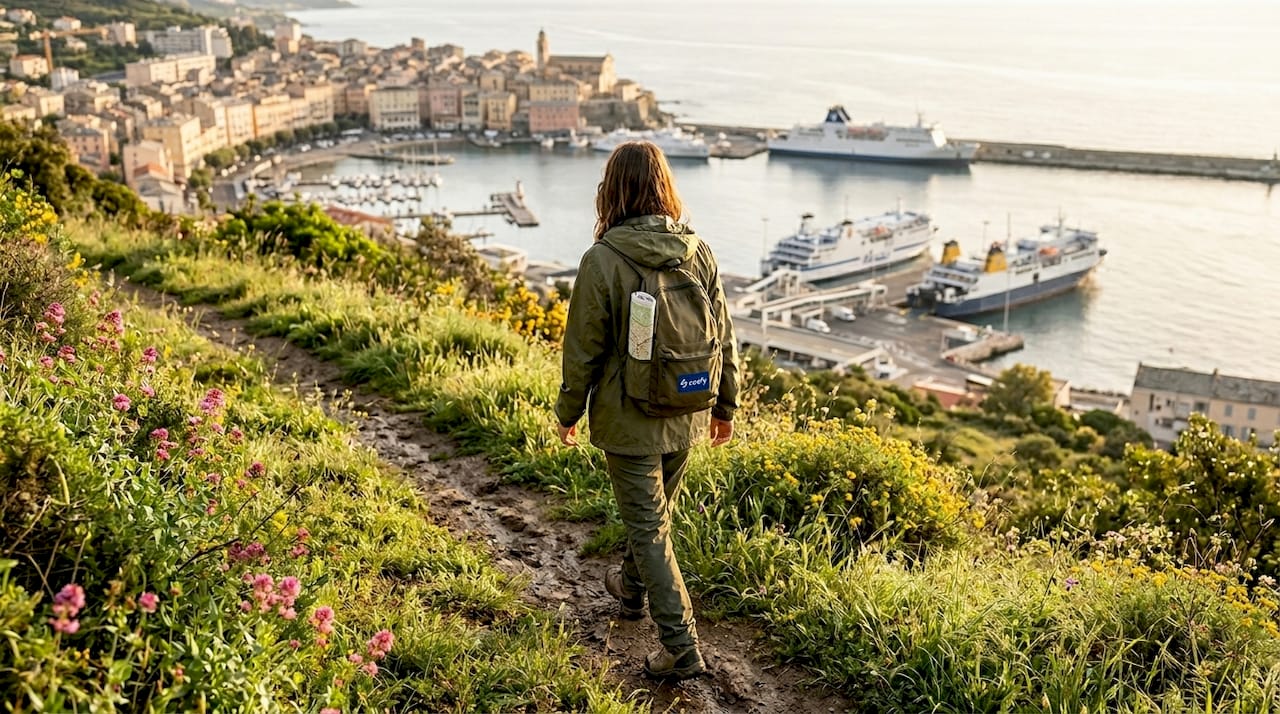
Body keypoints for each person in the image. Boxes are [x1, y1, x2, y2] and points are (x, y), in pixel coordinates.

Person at [554, 140, 739, 681]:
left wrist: (568, 411)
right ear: (665, 186)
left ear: (611, 190)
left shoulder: (603, 259)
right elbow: (724, 335)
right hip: (687, 405)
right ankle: (630, 591)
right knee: (653, 523)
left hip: (628, 417)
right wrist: (725, 403)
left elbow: (582, 348)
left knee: (651, 529)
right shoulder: (696, 249)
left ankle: (681, 648)